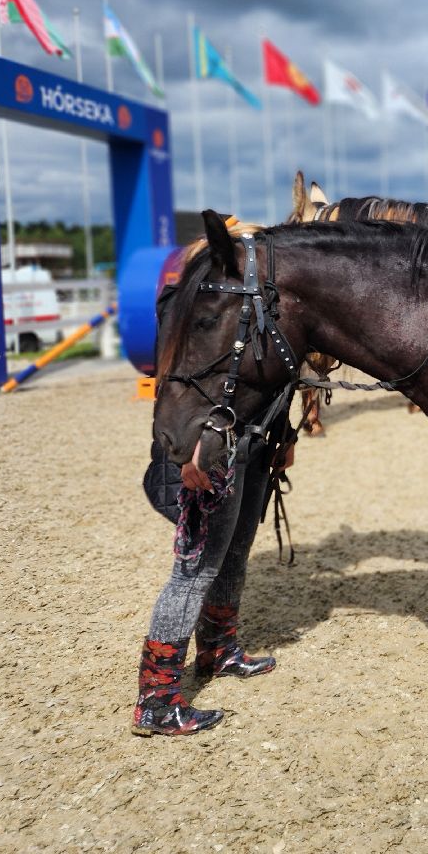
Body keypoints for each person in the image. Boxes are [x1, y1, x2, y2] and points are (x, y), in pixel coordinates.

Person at [131, 265, 297, 736]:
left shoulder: (251, 299)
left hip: (252, 442)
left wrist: (283, 437)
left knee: (235, 554)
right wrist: (187, 455)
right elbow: (177, 381)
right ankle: (156, 699)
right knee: (195, 570)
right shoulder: (185, 306)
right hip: (207, 448)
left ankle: (217, 649)